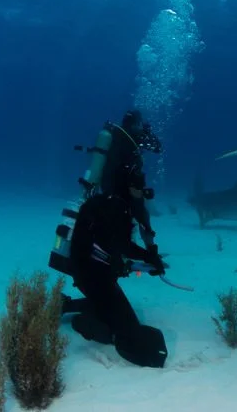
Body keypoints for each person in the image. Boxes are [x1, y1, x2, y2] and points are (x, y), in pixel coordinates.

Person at [61, 163, 169, 368]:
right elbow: (123, 246)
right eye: (138, 189)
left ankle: (67, 305)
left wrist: (147, 260)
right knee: (124, 328)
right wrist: (149, 257)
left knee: (115, 309)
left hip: (90, 273)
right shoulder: (117, 209)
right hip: (92, 276)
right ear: (129, 188)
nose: (141, 194)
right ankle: (83, 323)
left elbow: (110, 247)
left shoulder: (105, 203)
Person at [83, 110, 162, 249]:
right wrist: (148, 132)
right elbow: (158, 148)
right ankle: (150, 251)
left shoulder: (114, 134)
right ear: (136, 123)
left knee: (115, 217)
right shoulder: (136, 136)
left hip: (108, 184)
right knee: (141, 216)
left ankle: (112, 249)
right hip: (128, 186)